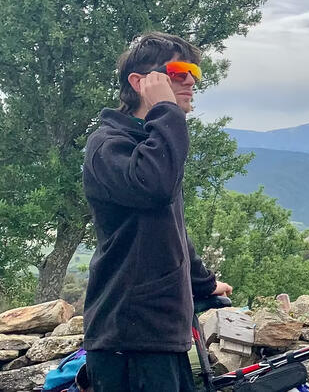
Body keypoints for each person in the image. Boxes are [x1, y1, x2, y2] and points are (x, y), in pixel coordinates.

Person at [82, 32, 233, 391]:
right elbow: (155, 188)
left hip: (158, 334)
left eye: (193, 71)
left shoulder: (146, 143)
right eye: (178, 71)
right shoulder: (108, 145)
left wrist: (205, 283)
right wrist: (166, 110)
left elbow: (169, 229)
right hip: (130, 339)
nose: (191, 80)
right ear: (139, 82)